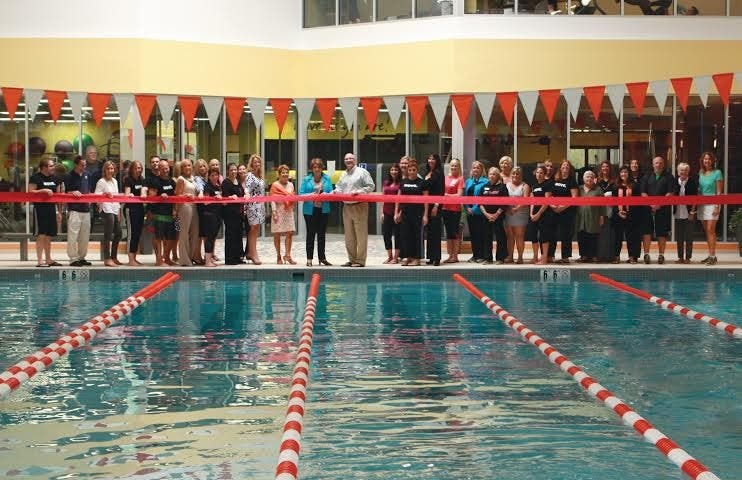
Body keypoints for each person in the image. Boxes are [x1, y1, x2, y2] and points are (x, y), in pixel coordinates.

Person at [335, 152, 375, 267]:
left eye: (351, 158)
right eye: (346, 159)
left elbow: (371, 186)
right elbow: (339, 187)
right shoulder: (343, 174)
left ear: (355, 160)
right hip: (346, 207)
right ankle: (352, 259)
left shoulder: (362, 172)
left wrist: (359, 192)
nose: (348, 160)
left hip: (360, 205)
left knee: (361, 235)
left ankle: (360, 261)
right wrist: (335, 191)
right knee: (349, 236)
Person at [639, 156, 676, 265]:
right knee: (646, 232)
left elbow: (670, 192)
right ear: (653, 164)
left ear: (663, 164)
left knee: (662, 232)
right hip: (647, 209)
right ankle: (646, 254)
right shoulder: (646, 176)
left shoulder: (669, 176)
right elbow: (643, 192)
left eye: (660, 163)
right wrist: (651, 205)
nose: (658, 165)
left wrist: (659, 204)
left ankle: (661, 255)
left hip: (663, 209)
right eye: (656, 163)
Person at [394, 159, 428, 266]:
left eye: (414, 170)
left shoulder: (422, 183)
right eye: (410, 170)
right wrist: (396, 213)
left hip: (417, 214)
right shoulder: (403, 182)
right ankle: (409, 257)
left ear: (416, 170)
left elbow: (426, 200)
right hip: (405, 214)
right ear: (407, 171)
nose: (412, 172)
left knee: (416, 236)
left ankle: (417, 258)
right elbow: (398, 199)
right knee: (406, 235)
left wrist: (425, 215)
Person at [300, 158, 333, 267]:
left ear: (322, 168)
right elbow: (301, 194)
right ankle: (309, 259)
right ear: (312, 168)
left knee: (321, 235)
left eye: (319, 167)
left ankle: (322, 258)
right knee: (310, 234)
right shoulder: (306, 179)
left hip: (323, 209)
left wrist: (325, 194)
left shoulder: (327, 178)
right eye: (315, 167)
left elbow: (331, 193)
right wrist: (312, 195)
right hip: (310, 210)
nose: (317, 169)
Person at [29, 159, 62, 267]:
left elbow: (57, 196)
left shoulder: (55, 179)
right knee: (41, 234)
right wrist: (43, 190)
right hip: (40, 209)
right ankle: (40, 260)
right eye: (51, 166)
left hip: (51, 209)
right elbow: (30, 192)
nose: (53, 168)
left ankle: (48, 259)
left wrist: (58, 211)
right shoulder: (35, 177)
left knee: (49, 235)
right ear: (44, 167)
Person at [63, 155, 92, 267]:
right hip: (74, 209)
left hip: (86, 209)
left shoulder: (87, 175)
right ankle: (73, 259)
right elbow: (65, 192)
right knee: (73, 236)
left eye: (85, 165)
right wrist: (71, 192)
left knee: (85, 236)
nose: (84, 167)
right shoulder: (69, 176)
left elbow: (89, 191)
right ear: (76, 164)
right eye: (81, 165)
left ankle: (81, 257)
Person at [548, 160, 578, 263]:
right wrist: (552, 206)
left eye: (567, 165)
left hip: (567, 212)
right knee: (552, 233)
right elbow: (549, 194)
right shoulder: (554, 179)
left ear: (570, 168)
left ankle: (565, 257)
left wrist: (562, 207)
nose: (565, 167)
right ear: (560, 168)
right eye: (563, 165)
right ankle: (550, 255)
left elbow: (574, 198)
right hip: (554, 210)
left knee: (566, 234)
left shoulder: (572, 181)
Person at [148, 161, 177, 266]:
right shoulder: (155, 182)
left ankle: (167, 257)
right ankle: (159, 260)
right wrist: (160, 196)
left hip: (170, 215)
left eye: (167, 168)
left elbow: (175, 197)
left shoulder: (172, 182)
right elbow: (151, 197)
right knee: (159, 238)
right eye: (163, 169)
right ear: (159, 170)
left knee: (171, 238)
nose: (166, 170)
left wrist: (175, 209)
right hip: (158, 214)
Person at [697, 151, 723, 265]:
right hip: (702, 203)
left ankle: (713, 256)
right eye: (705, 159)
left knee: (711, 230)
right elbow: (699, 190)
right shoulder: (701, 173)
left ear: (712, 161)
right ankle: (710, 255)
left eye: (709, 159)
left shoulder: (717, 173)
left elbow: (719, 191)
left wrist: (717, 206)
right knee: (706, 231)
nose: (706, 161)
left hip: (713, 203)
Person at [479, 167, 509, 265]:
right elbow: (480, 203)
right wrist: (487, 214)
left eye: (494, 174)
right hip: (486, 216)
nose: (491, 176)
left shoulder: (502, 187)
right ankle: (488, 258)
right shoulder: (484, 186)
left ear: (498, 176)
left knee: (500, 237)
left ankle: (500, 258)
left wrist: (496, 215)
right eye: (490, 174)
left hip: (498, 217)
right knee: (487, 237)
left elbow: (505, 203)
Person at [95, 161, 122, 267]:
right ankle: (107, 258)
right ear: (104, 170)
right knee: (108, 234)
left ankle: (114, 257)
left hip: (114, 209)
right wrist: (104, 194)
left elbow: (116, 197)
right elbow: (96, 196)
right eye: (108, 168)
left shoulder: (115, 181)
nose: (110, 170)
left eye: (112, 168)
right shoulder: (101, 182)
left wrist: (118, 210)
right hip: (106, 209)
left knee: (119, 233)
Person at [175, 159, 200, 266]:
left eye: (189, 165)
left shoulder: (194, 179)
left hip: (194, 207)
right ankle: (184, 260)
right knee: (184, 233)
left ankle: (190, 257)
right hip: (184, 207)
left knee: (195, 232)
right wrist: (185, 196)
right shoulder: (180, 179)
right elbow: (177, 195)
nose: (187, 167)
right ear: (182, 168)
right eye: (185, 166)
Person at [526, 165, 553, 265]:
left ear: (544, 174)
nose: (539, 174)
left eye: (541, 172)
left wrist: (538, 214)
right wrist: (531, 214)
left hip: (544, 213)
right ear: (535, 173)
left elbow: (547, 201)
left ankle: (544, 258)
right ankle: (535, 257)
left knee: (544, 236)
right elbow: (532, 201)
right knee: (533, 235)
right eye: (537, 172)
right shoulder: (534, 185)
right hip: (534, 214)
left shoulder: (548, 184)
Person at [576, 170, 605, 263]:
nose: (589, 179)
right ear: (583, 179)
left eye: (591, 177)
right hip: (580, 217)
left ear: (594, 179)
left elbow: (603, 205)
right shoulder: (579, 189)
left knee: (593, 236)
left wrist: (602, 216)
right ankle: (583, 255)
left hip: (594, 216)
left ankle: (594, 255)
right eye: (587, 177)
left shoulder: (598, 189)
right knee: (581, 236)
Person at [270, 164, 296, 265]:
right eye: (283, 173)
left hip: (288, 211)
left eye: (286, 172)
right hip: (278, 211)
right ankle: (278, 256)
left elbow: (292, 197)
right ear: (279, 174)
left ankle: (287, 255)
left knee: (289, 233)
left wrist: (291, 205)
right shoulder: (275, 185)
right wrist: (274, 212)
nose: (285, 174)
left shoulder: (291, 185)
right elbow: (272, 199)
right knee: (277, 234)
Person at [504, 166, 530, 264]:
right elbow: (503, 198)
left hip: (521, 213)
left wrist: (516, 208)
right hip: (508, 212)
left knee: (519, 236)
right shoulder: (506, 185)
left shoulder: (525, 186)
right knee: (510, 236)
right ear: (511, 174)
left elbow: (526, 200)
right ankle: (510, 257)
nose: (515, 175)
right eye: (513, 173)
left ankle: (520, 258)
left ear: (521, 175)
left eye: (517, 173)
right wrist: (509, 208)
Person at [674, 162, 698, 264]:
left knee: (688, 236)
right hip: (678, 213)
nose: (683, 172)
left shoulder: (692, 182)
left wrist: (692, 212)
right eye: (681, 170)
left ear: (688, 171)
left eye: (685, 170)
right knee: (679, 237)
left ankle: (688, 257)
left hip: (689, 213)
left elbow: (695, 198)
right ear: (678, 171)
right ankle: (680, 257)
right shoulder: (675, 181)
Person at [221, 163, 245, 265]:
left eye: (235, 170)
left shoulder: (238, 182)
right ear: (228, 171)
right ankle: (230, 259)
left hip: (238, 214)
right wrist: (231, 197)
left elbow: (241, 194)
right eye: (231, 170)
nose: (234, 172)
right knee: (230, 235)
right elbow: (225, 196)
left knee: (238, 235)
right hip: (229, 214)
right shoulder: (226, 182)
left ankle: (237, 257)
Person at [464, 161, 488, 263]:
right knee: (473, 235)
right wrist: (467, 208)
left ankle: (481, 255)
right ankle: (475, 255)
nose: (475, 170)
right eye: (474, 168)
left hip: (480, 213)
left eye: (478, 168)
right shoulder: (468, 181)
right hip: (469, 213)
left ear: (482, 170)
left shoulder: (486, 182)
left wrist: (473, 209)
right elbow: (464, 197)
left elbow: (483, 198)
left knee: (481, 235)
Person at [123, 160, 146, 266]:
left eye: (140, 168)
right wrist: (130, 195)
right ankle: (130, 259)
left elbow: (143, 192)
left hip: (140, 209)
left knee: (137, 234)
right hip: (130, 209)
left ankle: (134, 257)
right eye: (137, 168)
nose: (139, 170)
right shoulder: (128, 179)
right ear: (132, 169)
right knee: (131, 234)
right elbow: (127, 193)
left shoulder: (142, 179)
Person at [442, 158, 464, 263]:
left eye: (456, 165)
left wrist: (447, 195)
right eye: (452, 165)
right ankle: (450, 255)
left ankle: (455, 256)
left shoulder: (460, 179)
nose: (453, 167)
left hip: (455, 209)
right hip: (445, 208)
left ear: (458, 167)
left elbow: (459, 195)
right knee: (449, 233)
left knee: (455, 232)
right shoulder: (446, 178)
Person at [244, 154, 265, 265]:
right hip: (252, 205)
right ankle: (253, 253)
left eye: (258, 162)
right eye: (255, 162)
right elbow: (247, 188)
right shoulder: (250, 175)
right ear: (251, 163)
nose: (257, 164)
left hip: (260, 205)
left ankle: (251, 252)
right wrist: (247, 195)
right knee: (253, 228)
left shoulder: (260, 175)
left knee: (256, 229)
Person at [425, 153, 444, 266]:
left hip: (435, 206)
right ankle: (431, 257)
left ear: (437, 161)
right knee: (430, 233)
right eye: (429, 158)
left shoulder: (439, 173)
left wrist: (436, 206)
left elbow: (441, 191)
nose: (430, 160)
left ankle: (436, 258)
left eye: (433, 158)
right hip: (427, 205)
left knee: (436, 232)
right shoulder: (427, 172)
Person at [380, 163, 402, 264]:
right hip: (386, 212)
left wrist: (398, 213)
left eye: (396, 170)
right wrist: (382, 213)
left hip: (397, 213)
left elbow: (400, 200)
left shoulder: (401, 183)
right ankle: (390, 256)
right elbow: (382, 198)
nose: (394, 172)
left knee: (398, 235)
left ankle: (396, 257)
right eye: (392, 170)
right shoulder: (386, 183)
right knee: (386, 234)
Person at [202, 167, 223, 267]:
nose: (215, 177)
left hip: (217, 215)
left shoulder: (218, 187)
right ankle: (207, 261)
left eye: (216, 175)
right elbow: (205, 201)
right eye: (212, 175)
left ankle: (210, 258)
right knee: (209, 238)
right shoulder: (207, 186)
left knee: (213, 237)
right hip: (209, 215)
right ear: (209, 177)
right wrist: (215, 198)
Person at [612, 166, 634, 264]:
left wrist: (628, 213)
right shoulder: (615, 186)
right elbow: (613, 202)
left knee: (630, 237)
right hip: (618, 216)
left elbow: (636, 202)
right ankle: (616, 257)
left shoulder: (634, 185)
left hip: (631, 215)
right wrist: (618, 212)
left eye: (625, 172)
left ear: (628, 173)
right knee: (618, 237)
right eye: (622, 172)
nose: (623, 174)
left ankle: (632, 257)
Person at [596, 161, 616, 262]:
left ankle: (610, 256)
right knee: (600, 234)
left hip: (611, 210)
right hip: (599, 211)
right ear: (600, 169)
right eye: (603, 167)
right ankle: (600, 256)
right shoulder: (597, 181)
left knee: (610, 234)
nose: (605, 168)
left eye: (607, 167)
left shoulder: (614, 181)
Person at [192, 158, 209, 265]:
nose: (202, 168)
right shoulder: (198, 179)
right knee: (200, 234)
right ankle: (196, 255)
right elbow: (200, 189)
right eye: (200, 167)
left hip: (204, 208)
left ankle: (198, 255)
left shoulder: (205, 178)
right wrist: (201, 193)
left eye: (204, 166)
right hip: (200, 209)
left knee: (202, 234)